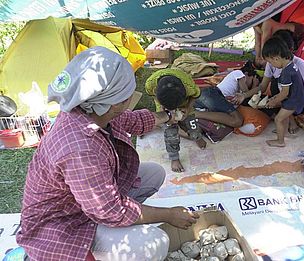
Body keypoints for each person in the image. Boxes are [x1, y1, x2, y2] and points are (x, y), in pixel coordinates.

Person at [16, 47, 199, 261]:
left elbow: (133, 120)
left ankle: (112, 229)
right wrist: (168, 215)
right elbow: (110, 210)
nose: (131, 97)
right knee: (154, 243)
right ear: (112, 103)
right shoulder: (80, 149)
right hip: (65, 226)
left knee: (154, 173)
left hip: (85, 204)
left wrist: (169, 116)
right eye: (126, 95)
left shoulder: (92, 109)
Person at [233, 30, 304, 134]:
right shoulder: (272, 63)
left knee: (275, 89)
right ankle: (281, 121)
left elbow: (298, 91)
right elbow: (262, 86)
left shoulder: (297, 64)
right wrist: (244, 95)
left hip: (297, 101)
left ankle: (288, 123)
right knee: (252, 102)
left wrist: (276, 100)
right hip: (284, 98)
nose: (269, 63)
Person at [145, 68, 207, 172]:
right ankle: (174, 158)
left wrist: (187, 108)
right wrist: (167, 113)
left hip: (185, 105)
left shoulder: (189, 86)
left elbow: (195, 96)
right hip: (163, 106)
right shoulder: (150, 84)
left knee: (192, 125)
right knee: (170, 133)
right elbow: (153, 96)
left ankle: (197, 137)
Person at [261, 37, 304, 147]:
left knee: (278, 119)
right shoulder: (292, 64)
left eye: (270, 61)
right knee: (284, 116)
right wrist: (275, 98)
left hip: (294, 100)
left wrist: (274, 101)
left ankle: (280, 141)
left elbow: (285, 93)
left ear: (276, 58)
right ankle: (283, 131)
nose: (271, 65)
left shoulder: (285, 73)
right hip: (299, 97)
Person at [192, 63, 254, 128]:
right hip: (212, 94)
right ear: (246, 74)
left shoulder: (237, 89)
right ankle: (195, 114)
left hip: (210, 97)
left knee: (232, 118)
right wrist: (255, 85)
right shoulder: (239, 73)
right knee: (237, 120)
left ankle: (196, 113)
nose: (250, 85)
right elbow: (245, 91)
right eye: (251, 81)